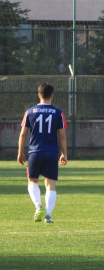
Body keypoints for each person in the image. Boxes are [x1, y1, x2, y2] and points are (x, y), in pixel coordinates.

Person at [17, 83, 68, 223]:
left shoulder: (29, 112)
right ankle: (48, 216)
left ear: (39, 95)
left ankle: (38, 206)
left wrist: (20, 152)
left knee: (32, 181)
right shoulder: (58, 113)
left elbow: (23, 134)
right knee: (50, 184)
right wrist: (64, 154)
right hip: (51, 153)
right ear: (52, 95)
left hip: (35, 152)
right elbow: (62, 137)